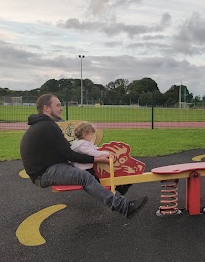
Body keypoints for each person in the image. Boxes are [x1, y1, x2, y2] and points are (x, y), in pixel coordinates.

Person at [20, 94, 148, 219]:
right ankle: (124, 207)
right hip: (43, 174)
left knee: (87, 171)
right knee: (84, 176)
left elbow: (66, 150)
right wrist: (95, 159)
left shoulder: (44, 125)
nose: (61, 108)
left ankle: (117, 190)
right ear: (46, 108)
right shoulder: (48, 126)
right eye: (58, 105)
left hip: (48, 168)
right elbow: (70, 154)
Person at [70, 121, 132, 195]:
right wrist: (106, 153)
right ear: (84, 134)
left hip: (86, 167)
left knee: (104, 175)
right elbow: (93, 153)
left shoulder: (81, 143)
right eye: (91, 134)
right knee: (96, 182)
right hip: (84, 169)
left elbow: (94, 149)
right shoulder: (82, 145)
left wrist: (104, 150)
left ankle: (119, 187)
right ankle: (107, 194)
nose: (92, 136)